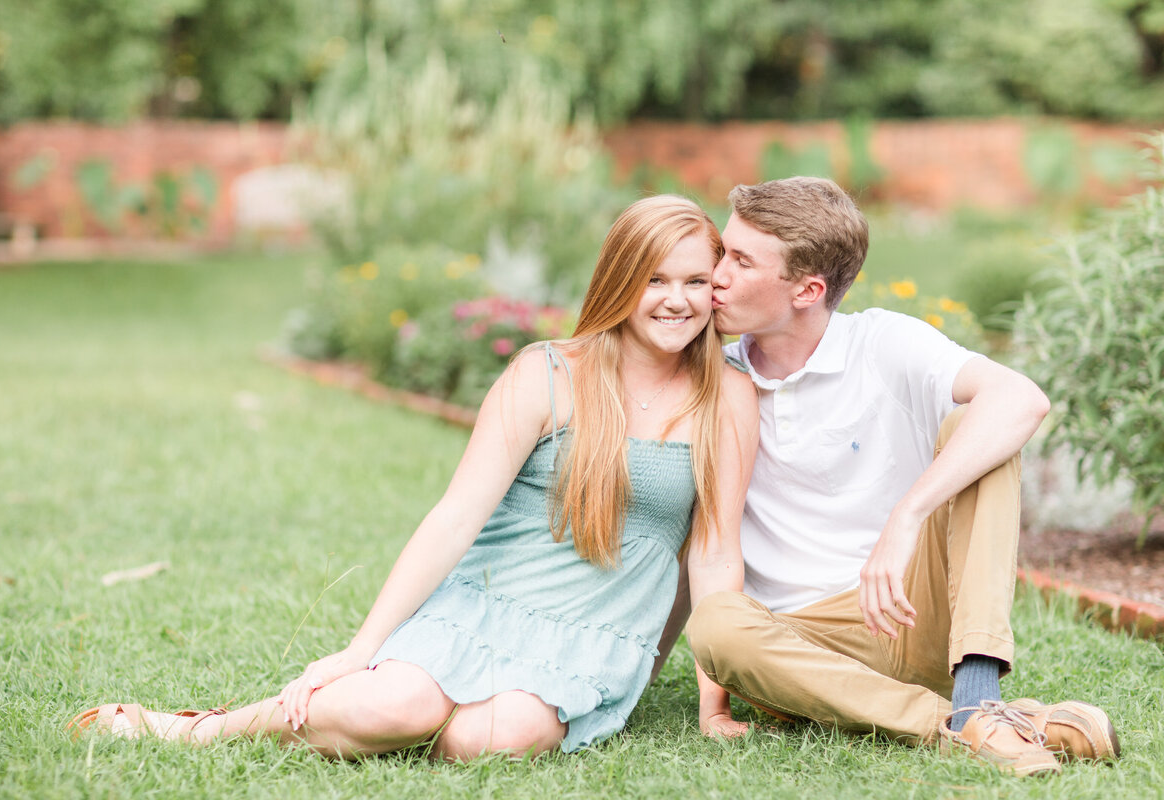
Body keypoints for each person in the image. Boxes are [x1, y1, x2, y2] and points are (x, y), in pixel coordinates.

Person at [68, 195, 759, 760]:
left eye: (697, 281)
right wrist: (359, 649)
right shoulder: (546, 374)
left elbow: (715, 550)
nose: (678, 301)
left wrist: (713, 704)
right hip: (489, 599)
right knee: (393, 703)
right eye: (656, 280)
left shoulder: (725, 396)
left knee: (491, 737)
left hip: (596, 631)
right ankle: (203, 727)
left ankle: (409, 725)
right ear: (619, 282)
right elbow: (456, 516)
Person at [684, 177, 1119, 777]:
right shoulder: (715, 377)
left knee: (978, 427)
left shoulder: (882, 343)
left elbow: (1021, 399)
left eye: (739, 260)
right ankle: (975, 722)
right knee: (714, 622)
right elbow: (713, 548)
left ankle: (972, 690)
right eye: (721, 252)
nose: (717, 275)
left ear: (808, 290)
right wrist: (714, 705)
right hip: (796, 647)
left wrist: (906, 516)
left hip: (909, 614)